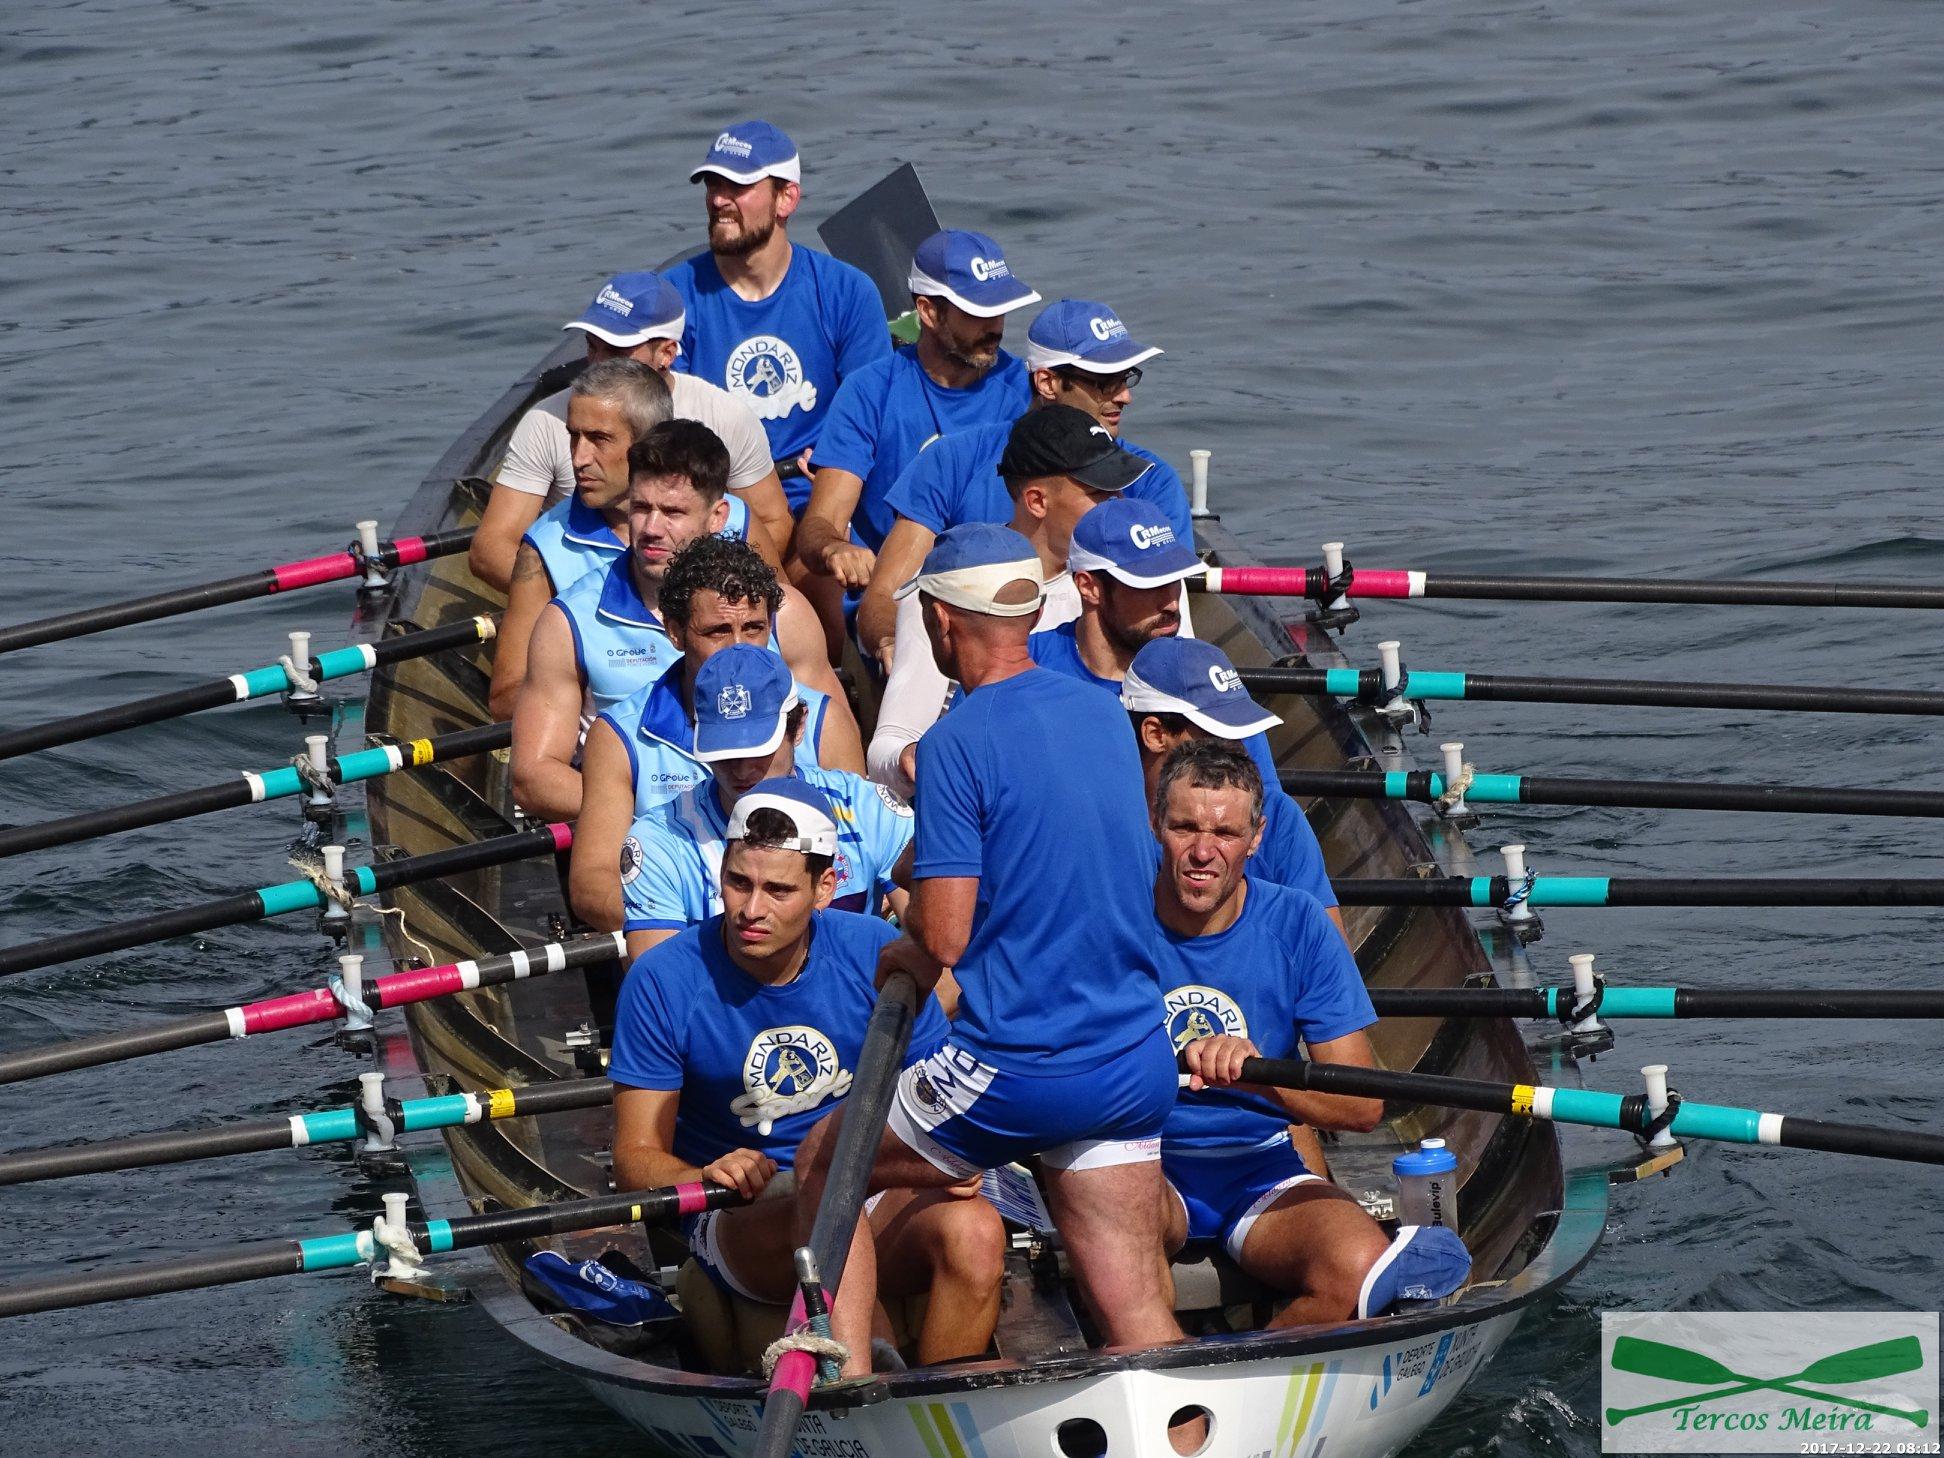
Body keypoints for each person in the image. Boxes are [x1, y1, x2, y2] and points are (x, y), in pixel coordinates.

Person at [789, 523, 1189, 1387]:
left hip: (1023, 1072)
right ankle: (1185, 1431)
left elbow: (945, 939)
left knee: (825, 1158)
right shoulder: (1103, 711)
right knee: (1138, 1314)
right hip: (1132, 1061)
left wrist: (901, 952)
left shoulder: (957, 743)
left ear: (939, 623)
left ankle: (846, 1382)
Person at [608, 783, 1004, 1373]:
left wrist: (951, 1163)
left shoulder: (878, 953)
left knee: (976, 1231)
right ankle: (863, 1380)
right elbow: (634, 1159)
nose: (751, 909)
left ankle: (940, 1402)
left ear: (825, 889)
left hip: (867, 1192)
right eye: (739, 882)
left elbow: (939, 1107)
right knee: (819, 1206)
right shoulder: (663, 980)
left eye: (778, 890)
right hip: (742, 1215)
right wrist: (701, 1173)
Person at [1151, 739, 1471, 1324]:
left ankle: (1245, 1382)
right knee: (1120, 1241)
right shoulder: (1113, 914)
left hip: (1259, 1167)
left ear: (1256, 839)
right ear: (1156, 825)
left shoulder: (1297, 922)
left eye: (1225, 834)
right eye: (1184, 828)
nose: (1202, 851)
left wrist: (1248, 1080)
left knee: (1357, 1268)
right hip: (1143, 1160)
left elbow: (1361, 1105)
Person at [512, 426, 857, 822]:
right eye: (640, 508)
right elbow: (533, 778)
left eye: (673, 512)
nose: (651, 529)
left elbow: (836, 754)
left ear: (718, 517)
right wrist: (675, 818)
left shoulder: (784, 613)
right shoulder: (568, 621)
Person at [856, 298, 1188, 655]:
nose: (1125, 396)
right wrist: (894, 647)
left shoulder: (1153, 479)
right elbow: (886, 595)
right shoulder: (951, 460)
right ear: (1047, 382)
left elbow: (1163, 609)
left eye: (1127, 378)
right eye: (1106, 382)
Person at [569, 536, 866, 931]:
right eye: (718, 631)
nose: (739, 648)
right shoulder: (619, 736)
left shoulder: (824, 720)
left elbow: (858, 851)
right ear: (674, 632)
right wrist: (731, 931)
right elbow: (593, 887)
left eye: (754, 627)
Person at [866, 406, 1150, 795]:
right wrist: (911, 759)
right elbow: (888, 747)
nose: (1119, 506)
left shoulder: (1146, 580)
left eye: (1120, 491)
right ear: (1036, 501)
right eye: (1100, 494)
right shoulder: (952, 586)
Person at [468, 271, 793, 591]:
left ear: (667, 353)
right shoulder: (544, 421)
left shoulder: (726, 415)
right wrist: (580, 606)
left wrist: (707, 595)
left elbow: (774, 523)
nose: (598, 363)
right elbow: (489, 550)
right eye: (592, 347)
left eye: (616, 351)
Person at [792, 229, 1037, 649]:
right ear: (927, 311)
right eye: (978, 312)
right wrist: (834, 548)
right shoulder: (870, 390)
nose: (995, 327)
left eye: (1002, 310)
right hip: (898, 601)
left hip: (1005, 598)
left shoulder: (1025, 391)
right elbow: (821, 524)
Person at [618, 644, 912, 953]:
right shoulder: (660, 842)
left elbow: (940, 953)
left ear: (798, 727)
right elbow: (663, 990)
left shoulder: (869, 809)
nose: (743, 769)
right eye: (725, 752)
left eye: (759, 748)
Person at [664, 121, 892, 517]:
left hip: (817, 493)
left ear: (786, 199)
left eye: (737, 187)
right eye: (713, 186)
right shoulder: (673, 296)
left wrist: (837, 470)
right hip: (716, 500)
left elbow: (869, 415)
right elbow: (672, 427)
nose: (719, 200)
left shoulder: (848, 292)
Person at [1122, 635, 1342, 931]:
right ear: (1156, 735)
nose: (1236, 750)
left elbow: (1329, 952)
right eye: (1215, 736)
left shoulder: (1276, 816)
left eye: (1238, 733)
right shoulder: (1106, 831)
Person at [1026, 495, 1205, 695]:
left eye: (1174, 580)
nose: (1172, 603)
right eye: (1150, 585)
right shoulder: (1026, 665)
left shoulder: (1198, 682)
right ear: (1089, 587)